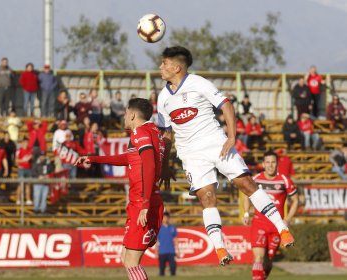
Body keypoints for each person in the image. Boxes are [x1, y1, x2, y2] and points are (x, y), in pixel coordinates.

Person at [157, 46, 294, 266]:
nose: (160, 67)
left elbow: (226, 105)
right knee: (207, 198)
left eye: (164, 63)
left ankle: (282, 228)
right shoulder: (163, 97)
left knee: (246, 184)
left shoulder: (199, 83)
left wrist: (231, 137)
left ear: (177, 67)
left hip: (215, 143)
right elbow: (166, 133)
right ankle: (220, 248)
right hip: (191, 154)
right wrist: (164, 164)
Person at [75, 98, 164, 280]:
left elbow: (149, 166)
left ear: (131, 114)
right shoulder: (152, 131)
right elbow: (130, 159)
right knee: (126, 257)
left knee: (132, 261)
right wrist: (94, 159)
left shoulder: (140, 132)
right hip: (140, 201)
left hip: (143, 201)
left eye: (125, 113)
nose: (124, 117)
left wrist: (145, 204)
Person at [243, 151, 299, 280]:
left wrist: (288, 218)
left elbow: (296, 200)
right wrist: (246, 213)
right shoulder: (256, 179)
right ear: (263, 164)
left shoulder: (285, 180)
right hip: (259, 223)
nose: (270, 165)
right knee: (258, 258)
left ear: (277, 164)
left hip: (276, 226)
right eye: (267, 162)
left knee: (268, 260)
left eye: (273, 162)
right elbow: (247, 196)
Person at [156, 212, 179, 277]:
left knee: (173, 268)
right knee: (162, 269)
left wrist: (178, 250)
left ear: (169, 218)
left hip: (171, 251)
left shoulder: (172, 227)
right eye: (164, 217)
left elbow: (176, 239)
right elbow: (156, 240)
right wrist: (156, 251)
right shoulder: (159, 228)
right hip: (162, 251)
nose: (165, 219)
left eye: (167, 217)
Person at [15, 138, 33, 205]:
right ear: (22, 143)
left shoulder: (30, 150)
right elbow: (16, 160)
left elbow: (32, 156)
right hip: (21, 169)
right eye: (24, 142)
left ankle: (28, 199)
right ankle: (18, 199)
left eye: (27, 142)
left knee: (28, 184)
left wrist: (31, 157)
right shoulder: (19, 150)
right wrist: (23, 160)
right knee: (20, 184)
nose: (26, 144)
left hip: (29, 168)